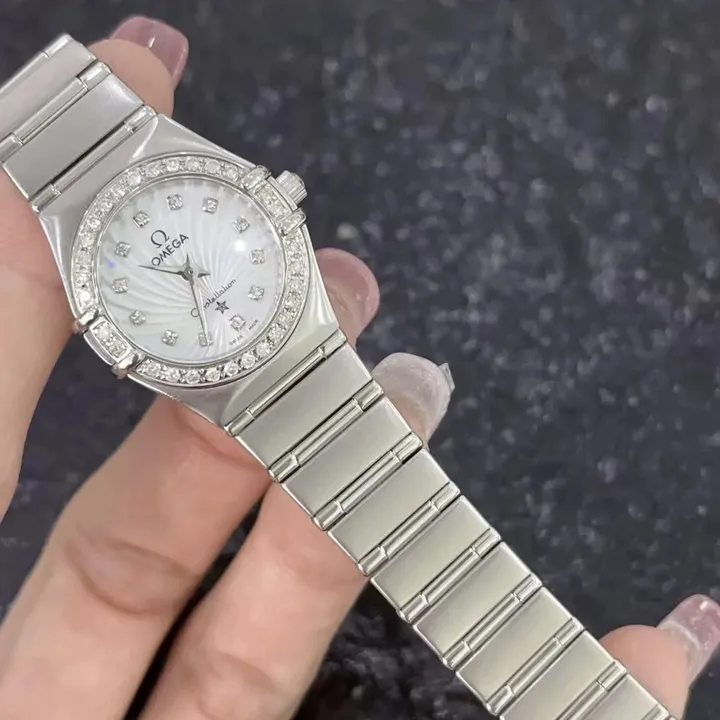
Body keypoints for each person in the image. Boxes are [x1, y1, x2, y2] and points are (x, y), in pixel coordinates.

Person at [0, 16, 716, 720]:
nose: (191, 274)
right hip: (245, 369)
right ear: (115, 336)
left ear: (272, 200)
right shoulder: (86, 241)